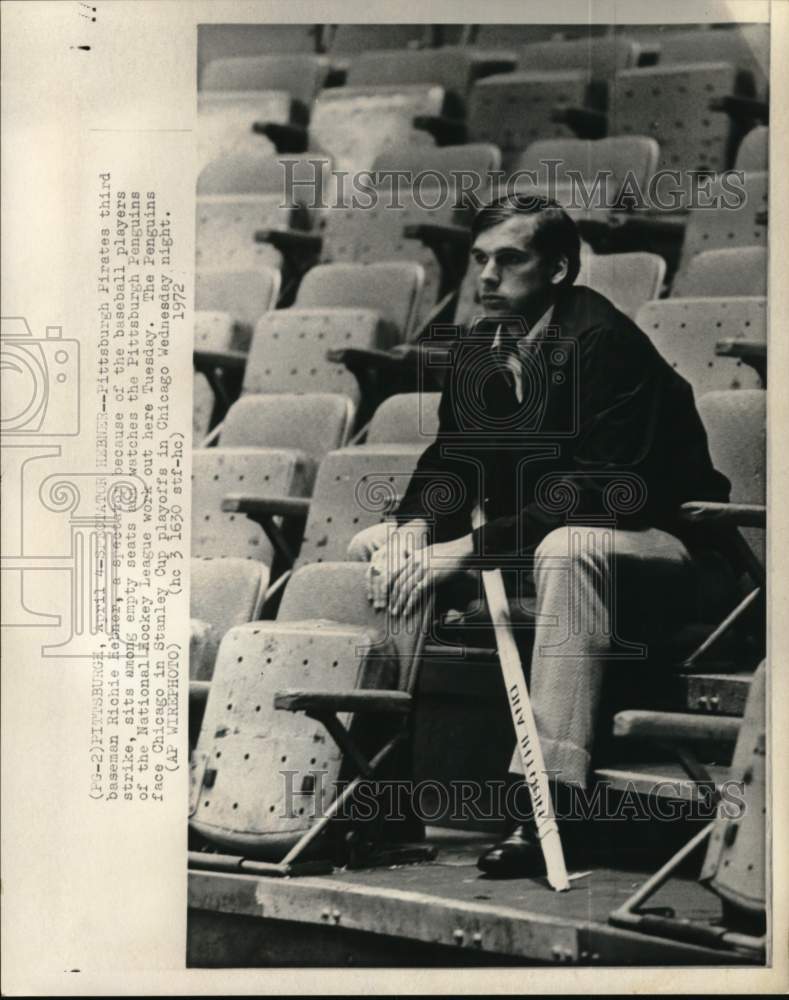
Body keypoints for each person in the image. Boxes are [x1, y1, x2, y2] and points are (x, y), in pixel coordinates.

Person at [348, 194, 738, 877]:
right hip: (540, 546)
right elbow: (452, 460)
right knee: (390, 554)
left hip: (667, 556)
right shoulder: (479, 345)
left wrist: (469, 550)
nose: (486, 276)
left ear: (557, 269)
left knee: (570, 546)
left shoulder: (605, 343)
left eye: (509, 259)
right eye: (479, 259)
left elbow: (599, 493)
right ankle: (376, 795)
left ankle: (549, 802)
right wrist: (413, 527)